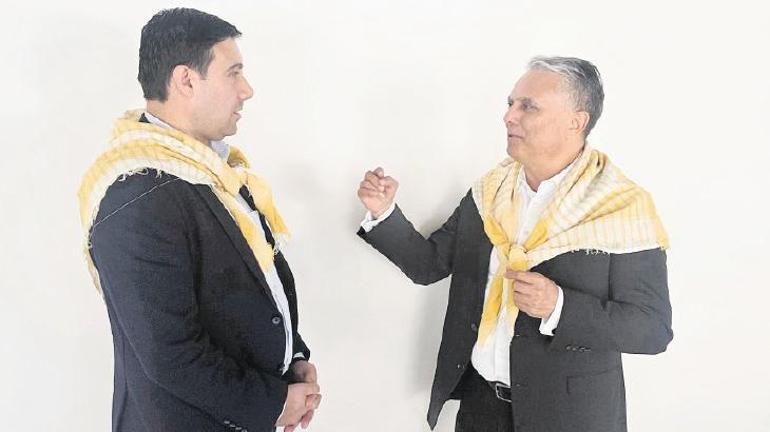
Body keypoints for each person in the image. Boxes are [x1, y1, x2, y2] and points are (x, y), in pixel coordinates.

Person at [356, 56, 672, 432]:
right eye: (510, 104)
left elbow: (651, 328)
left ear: (576, 121)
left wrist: (559, 307)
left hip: (570, 418)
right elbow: (429, 265)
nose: (509, 117)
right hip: (481, 409)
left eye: (528, 106)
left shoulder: (619, 208)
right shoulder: (491, 193)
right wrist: (383, 213)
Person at [78, 8, 319, 432]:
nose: (247, 90)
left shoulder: (213, 171)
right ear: (186, 80)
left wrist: (293, 357)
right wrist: (273, 403)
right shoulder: (136, 195)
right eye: (233, 73)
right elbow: (170, 354)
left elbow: (252, 287)